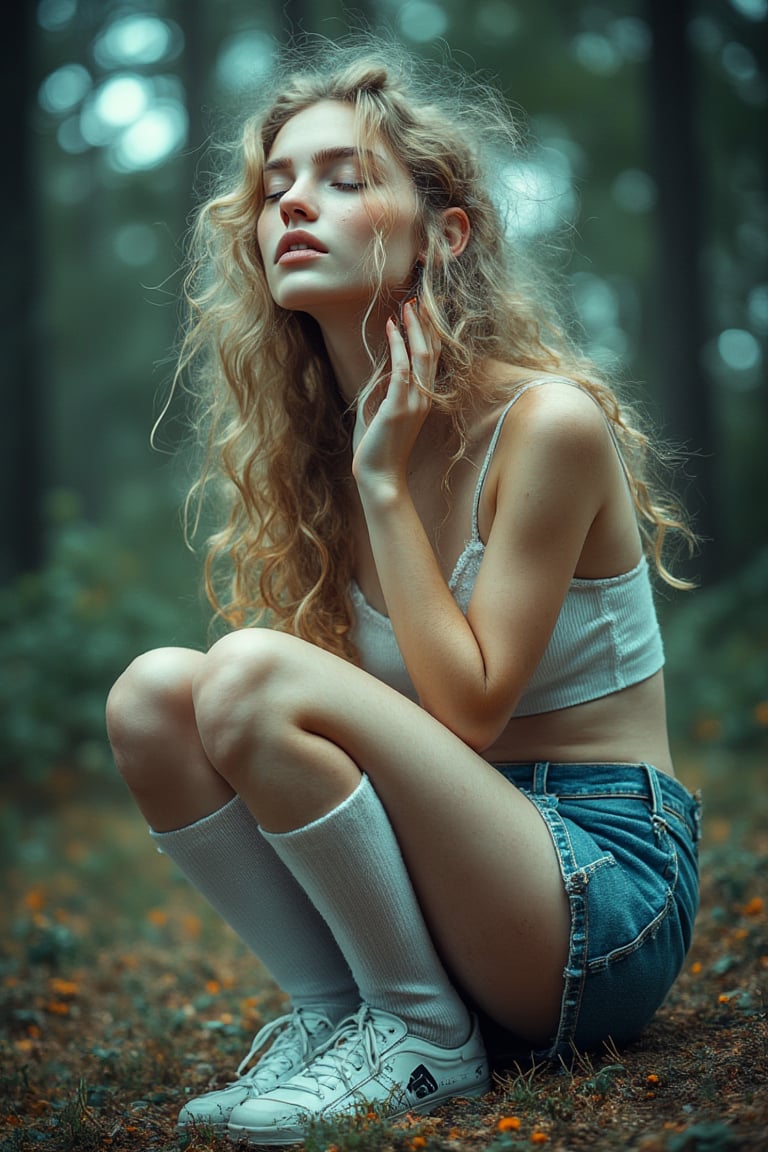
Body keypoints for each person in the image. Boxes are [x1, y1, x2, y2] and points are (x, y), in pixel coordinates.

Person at [105, 37, 702, 1147]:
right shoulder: (311, 461)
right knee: (153, 696)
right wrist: (362, 469)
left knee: (249, 671)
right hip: (455, 880)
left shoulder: (545, 425)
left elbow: (467, 709)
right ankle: (340, 1014)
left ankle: (422, 1031)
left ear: (444, 231)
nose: (295, 205)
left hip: (599, 894)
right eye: (277, 187)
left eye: (344, 179)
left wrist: (384, 479)